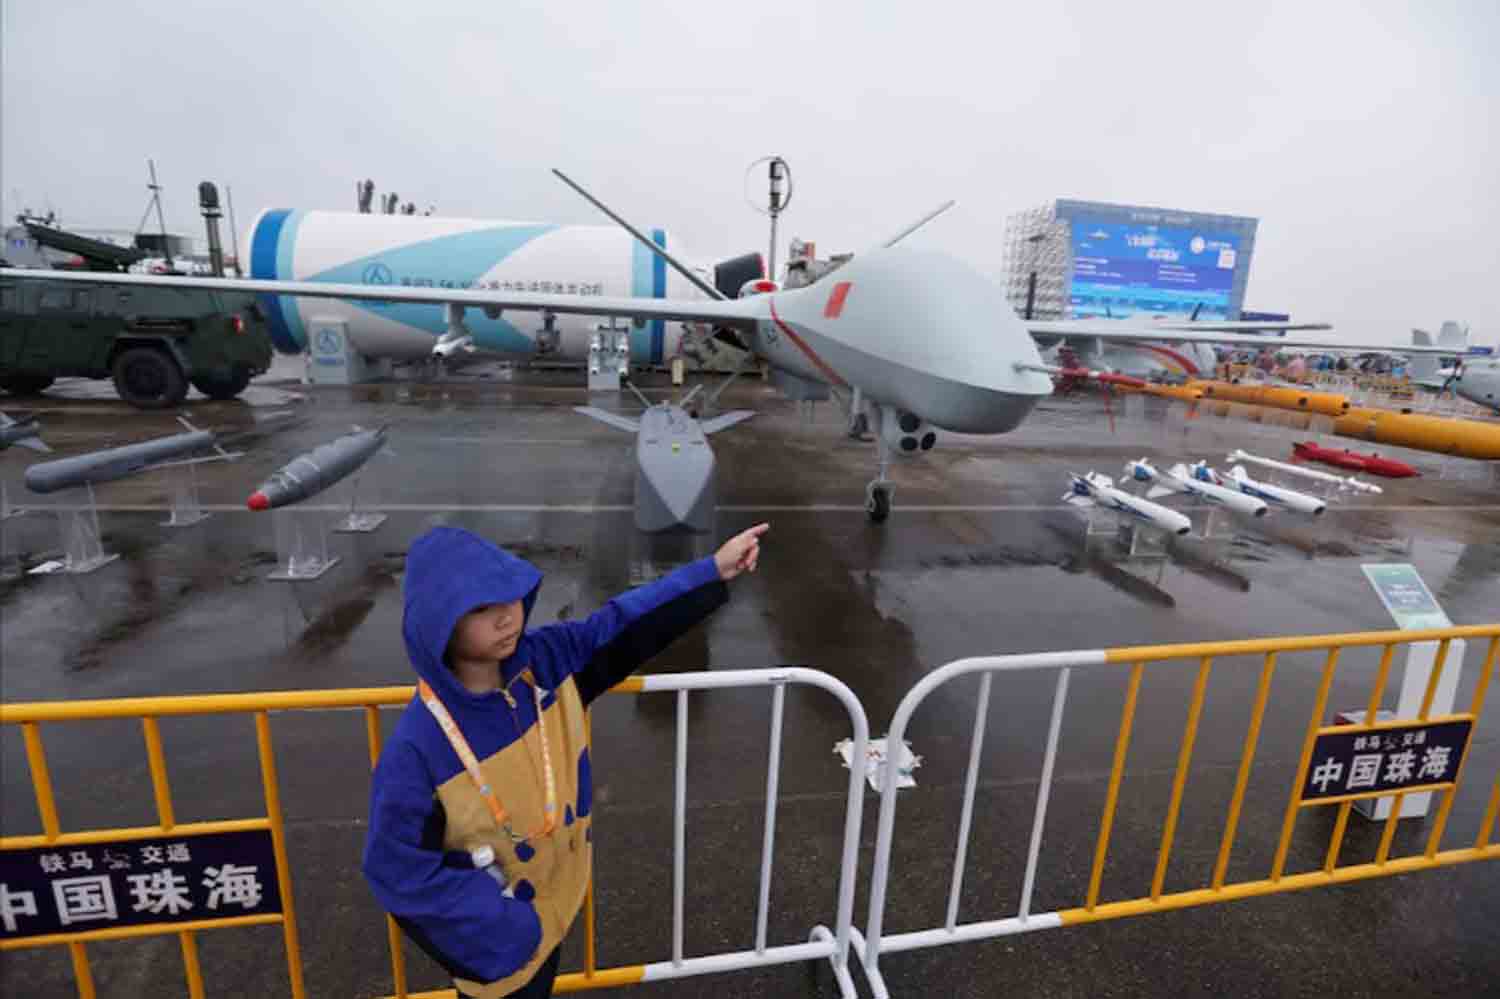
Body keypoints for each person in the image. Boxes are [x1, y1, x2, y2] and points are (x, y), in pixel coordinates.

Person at [363, 523, 767, 998]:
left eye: (509, 596)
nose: (506, 618)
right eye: (480, 608)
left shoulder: (550, 663)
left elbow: (625, 621)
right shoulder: (418, 748)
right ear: (438, 622)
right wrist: (510, 931)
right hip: (499, 954)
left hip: (557, 910)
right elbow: (398, 870)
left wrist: (711, 571)